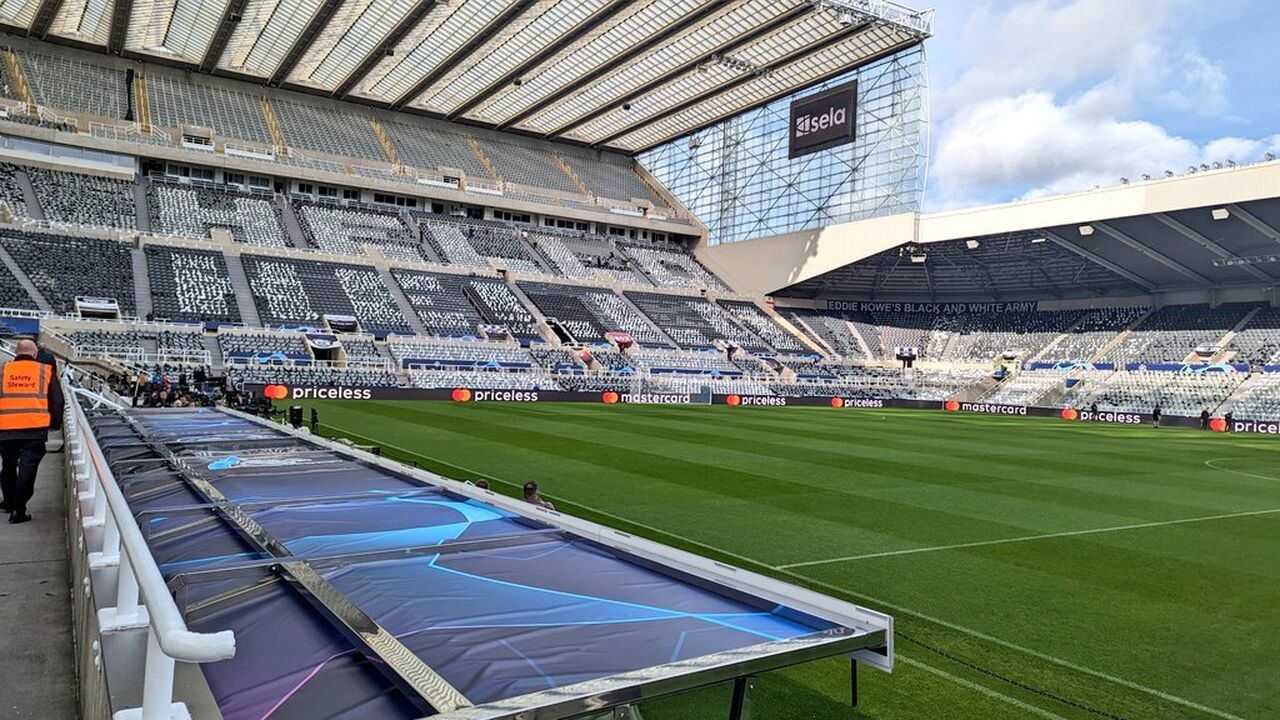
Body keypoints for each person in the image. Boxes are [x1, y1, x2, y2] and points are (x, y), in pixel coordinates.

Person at [0, 339, 63, 523]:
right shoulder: (46, 371)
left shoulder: (3, 370)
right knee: (28, 468)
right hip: (34, 428)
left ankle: (10, 502)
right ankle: (19, 510)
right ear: (34, 354)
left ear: (16, 353)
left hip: (6, 428)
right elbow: (57, 401)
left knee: (9, 466)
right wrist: (55, 424)